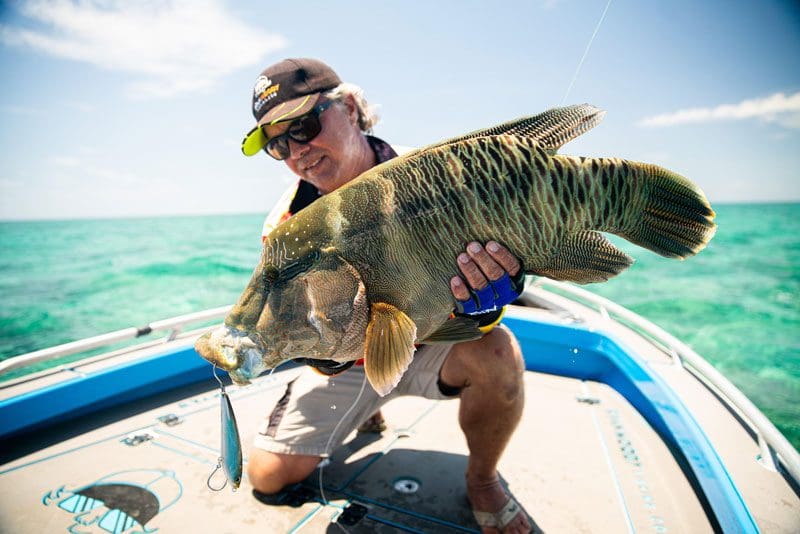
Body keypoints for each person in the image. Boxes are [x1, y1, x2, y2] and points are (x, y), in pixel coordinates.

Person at [240, 58, 530, 534]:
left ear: (350, 108)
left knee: (498, 352)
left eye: (304, 125)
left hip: (432, 338)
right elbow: (301, 340)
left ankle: (482, 478)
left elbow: (509, 246)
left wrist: (495, 295)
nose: (297, 150)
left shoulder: (440, 174)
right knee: (266, 478)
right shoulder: (284, 230)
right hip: (349, 364)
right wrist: (327, 349)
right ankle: (368, 407)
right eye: (277, 142)